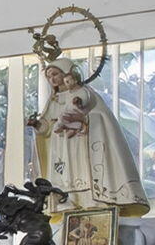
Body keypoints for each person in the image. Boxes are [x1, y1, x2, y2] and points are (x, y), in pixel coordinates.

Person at [27, 56, 148, 215]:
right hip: (60, 145)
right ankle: (67, 202)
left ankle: (90, 200)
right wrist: (37, 124)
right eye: (49, 76)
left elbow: (91, 109)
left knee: (82, 169)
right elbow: (46, 128)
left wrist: (78, 109)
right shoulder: (53, 100)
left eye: (55, 74)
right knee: (63, 174)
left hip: (81, 141)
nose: (52, 79)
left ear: (67, 74)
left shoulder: (83, 92)